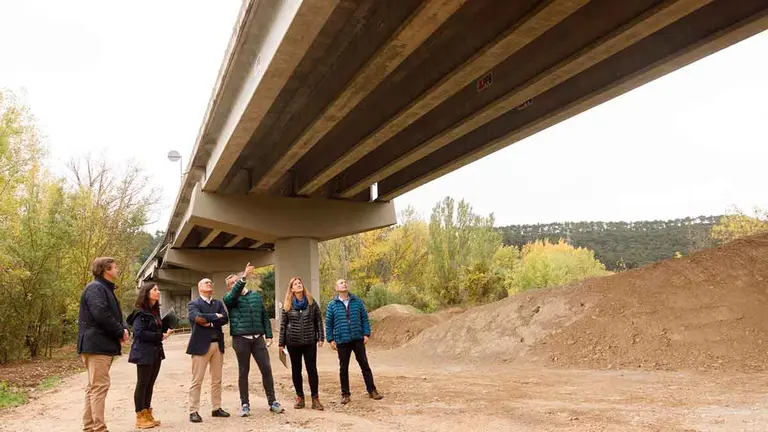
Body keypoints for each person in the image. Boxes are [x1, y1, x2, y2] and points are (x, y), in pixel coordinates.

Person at [223, 262, 284, 416]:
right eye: (232, 283)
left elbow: (264, 315)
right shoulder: (229, 299)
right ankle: (245, 404)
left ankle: (272, 402)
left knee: (266, 369)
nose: (235, 284)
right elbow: (233, 295)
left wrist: (269, 335)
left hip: (258, 338)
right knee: (243, 371)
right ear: (229, 288)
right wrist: (243, 277)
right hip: (240, 339)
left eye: (236, 281)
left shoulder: (255, 296)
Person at [77, 257, 129, 432]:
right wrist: (120, 331)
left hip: (99, 344)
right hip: (96, 344)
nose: (118, 269)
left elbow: (114, 315)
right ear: (106, 269)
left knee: (93, 387)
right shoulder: (96, 288)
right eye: (115, 267)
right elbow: (100, 314)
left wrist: (123, 328)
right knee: (99, 387)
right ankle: (99, 428)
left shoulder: (104, 288)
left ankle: (90, 427)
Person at [325, 279, 383, 404]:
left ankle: (372, 390)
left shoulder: (357, 301)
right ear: (336, 288)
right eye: (341, 283)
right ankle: (345, 394)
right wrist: (330, 339)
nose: (344, 284)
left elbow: (364, 319)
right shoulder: (332, 305)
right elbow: (329, 324)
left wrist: (366, 334)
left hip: (357, 339)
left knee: (364, 365)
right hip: (342, 340)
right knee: (343, 368)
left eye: (345, 282)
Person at [127, 282, 172, 429]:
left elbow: (154, 330)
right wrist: (160, 336)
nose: (158, 292)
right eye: (155, 290)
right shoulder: (140, 312)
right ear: (147, 293)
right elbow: (139, 333)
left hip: (155, 352)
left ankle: (147, 413)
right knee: (142, 383)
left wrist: (165, 331)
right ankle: (140, 416)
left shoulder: (154, 312)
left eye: (158, 289)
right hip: (143, 352)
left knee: (150, 383)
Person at [187, 277, 229, 423]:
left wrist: (210, 322)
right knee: (197, 380)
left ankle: (216, 408)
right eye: (206, 282)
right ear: (200, 288)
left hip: (217, 345)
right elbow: (197, 318)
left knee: (217, 380)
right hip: (200, 346)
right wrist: (215, 316)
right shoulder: (193, 304)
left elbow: (225, 319)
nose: (210, 284)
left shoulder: (218, 303)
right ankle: (193, 411)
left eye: (211, 282)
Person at [278, 277, 325, 410]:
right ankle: (300, 398)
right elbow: (283, 325)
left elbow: (318, 320)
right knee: (296, 370)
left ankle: (315, 398)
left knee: (312, 370)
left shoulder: (311, 302)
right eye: (295, 284)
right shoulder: (288, 305)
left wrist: (321, 337)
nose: (298, 285)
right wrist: (281, 343)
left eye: (300, 283)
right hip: (293, 342)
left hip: (310, 341)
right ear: (292, 289)